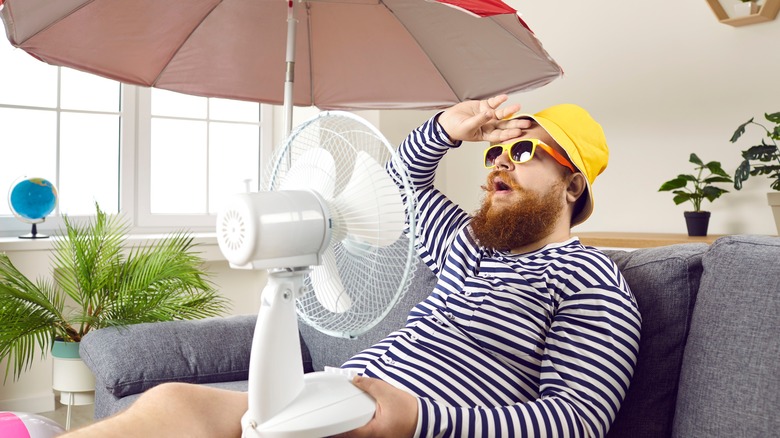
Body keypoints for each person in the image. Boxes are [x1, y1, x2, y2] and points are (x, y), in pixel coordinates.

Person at [64, 95, 641, 438]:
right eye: (496, 152)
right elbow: (400, 180)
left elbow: (576, 420)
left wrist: (417, 419)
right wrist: (448, 128)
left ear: (572, 186)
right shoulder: (464, 243)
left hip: (402, 425)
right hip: (331, 394)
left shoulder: (589, 279)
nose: (499, 164)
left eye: (524, 151)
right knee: (175, 402)